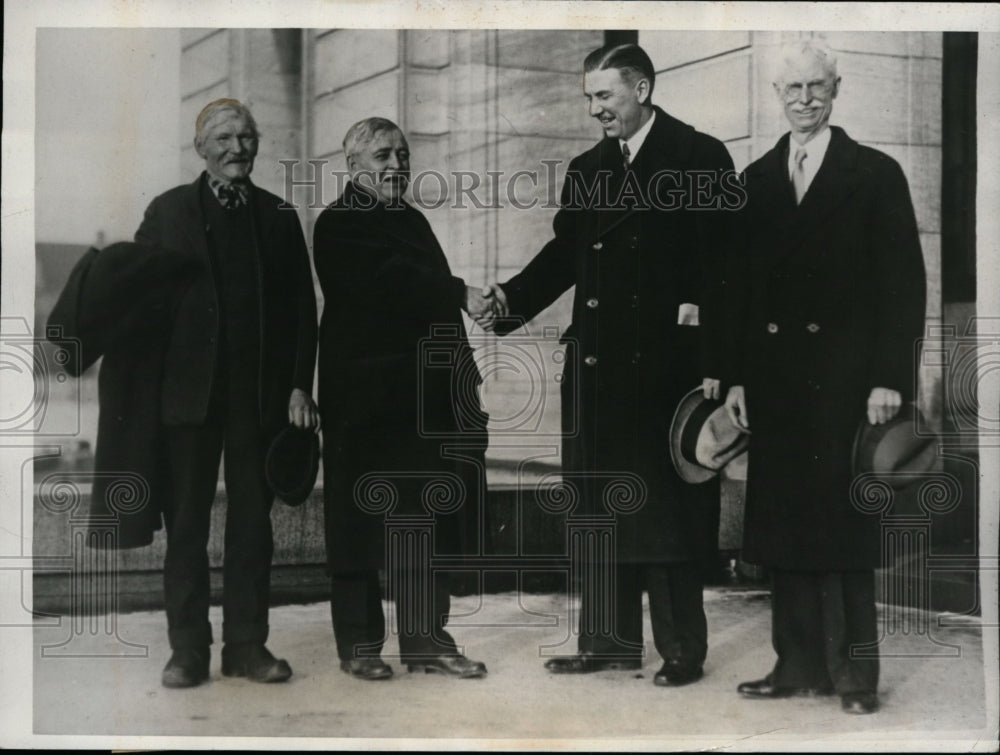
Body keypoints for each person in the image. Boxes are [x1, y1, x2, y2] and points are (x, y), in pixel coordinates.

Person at [485, 43, 736, 686]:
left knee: (667, 513)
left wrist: (719, 360)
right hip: (597, 368)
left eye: (604, 95)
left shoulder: (699, 156)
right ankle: (607, 641)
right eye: (588, 97)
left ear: (641, 89)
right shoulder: (588, 168)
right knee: (598, 506)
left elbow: (726, 270)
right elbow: (565, 255)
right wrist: (510, 300)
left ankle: (681, 650)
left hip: (666, 372)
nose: (594, 109)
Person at [722, 38, 926, 715]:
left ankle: (854, 677)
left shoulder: (874, 173)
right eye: (793, 88)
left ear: (835, 89)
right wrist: (737, 379)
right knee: (784, 527)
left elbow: (903, 286)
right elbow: (741, 291)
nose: (805, 99)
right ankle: (797, 665)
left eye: (816, 86)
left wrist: (891, 378)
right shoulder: (755, 179)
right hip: (777, 381)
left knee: (842, 532)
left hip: (848, 383)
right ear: (777, 97)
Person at [135, 98, 320, 688]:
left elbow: (302, 310)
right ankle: (188, 649)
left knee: (252, 528)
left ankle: (246, 645)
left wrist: (300, 384)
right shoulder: (167, 212)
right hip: (188, 398)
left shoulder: (278, 214)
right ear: (201, 148)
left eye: (246, 137)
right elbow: (140, 304)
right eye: (224, 138)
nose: (237, 148)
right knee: (186, 525)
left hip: (258, 399)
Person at [314, 117, 492, 681]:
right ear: (354, 167)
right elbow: (388, 283)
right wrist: (459, 291)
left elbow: (431, 310)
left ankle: (426, 641)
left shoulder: (411, 219)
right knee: (358, 525)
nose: (397, 165)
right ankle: (359, 646)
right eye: (383, 156)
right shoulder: (338, 222)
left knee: (423, 522)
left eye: (403, 154)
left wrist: (463, 379)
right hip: (363, 404)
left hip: (421, 400)